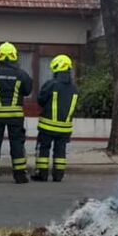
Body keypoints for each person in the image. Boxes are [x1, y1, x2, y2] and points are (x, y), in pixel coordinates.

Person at [0, 42, 33, 184]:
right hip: (15, 116)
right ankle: (20, 175)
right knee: (17, 144)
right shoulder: (21, 74)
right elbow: (28, 90)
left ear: (0, 56)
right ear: (14, 56)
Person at [33, 54, 79, 182]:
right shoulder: (74, 88)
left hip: (47, 126)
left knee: (44, 149)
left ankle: (42, 174)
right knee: (60, 152)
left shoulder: (51, 84)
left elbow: (41, 100)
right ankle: (58, 175)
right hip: (65, 128)